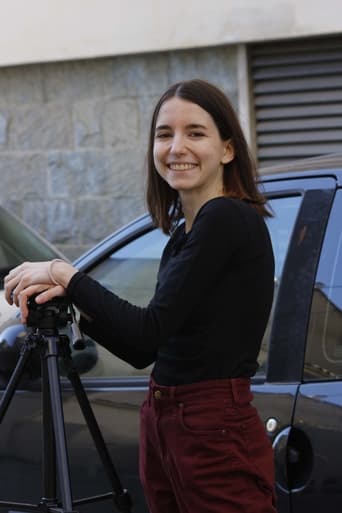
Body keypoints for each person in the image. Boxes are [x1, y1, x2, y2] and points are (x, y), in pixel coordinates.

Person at [4, 79, 277, 513]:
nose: (177, 147)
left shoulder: (226, 217)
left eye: (196, 133)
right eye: (164, 134)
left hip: (211, 427)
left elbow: (146, 331)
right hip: (166, 419)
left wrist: (64, 272)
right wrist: (74, 300)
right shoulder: (184, 233)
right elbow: (138, 346)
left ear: (227, 149)